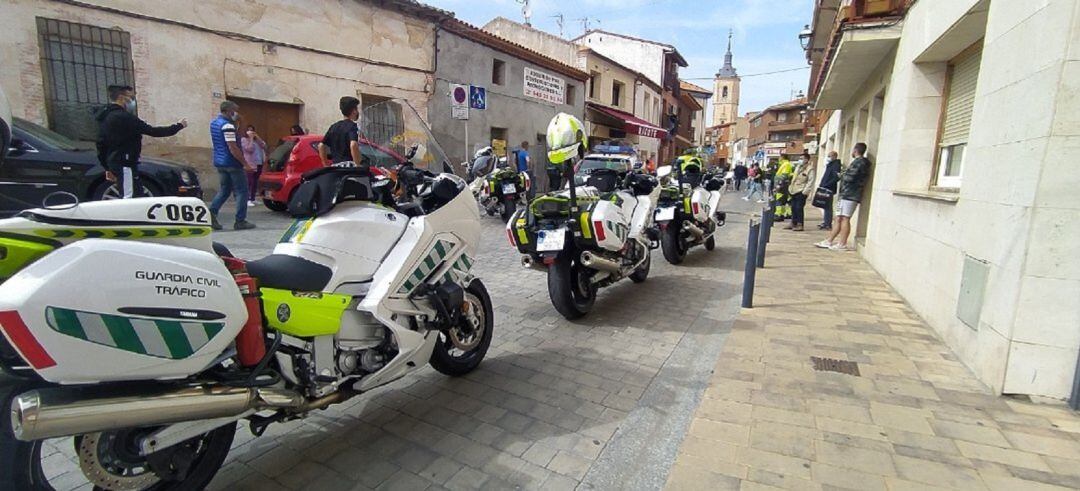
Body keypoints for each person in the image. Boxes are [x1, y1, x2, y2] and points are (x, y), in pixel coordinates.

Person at [95, 85, 187, 198]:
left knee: (137, 194)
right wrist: (178, 126)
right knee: (129, 197)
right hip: (125, 163)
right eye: (131, 97)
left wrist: (107, 167)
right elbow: (153, 131)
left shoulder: (105, 117)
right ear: (121, 98)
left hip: (116, 162)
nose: (133, 101)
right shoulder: (125, 118)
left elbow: (101, 143)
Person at [208, 100, 256, 230]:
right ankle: (240, 220)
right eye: (235, 111)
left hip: (220, 161)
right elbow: (233, 146)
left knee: (224, 190)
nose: (237, 113)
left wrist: (241, 122)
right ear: (229, 111)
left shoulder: (215, 123)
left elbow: (239, 135)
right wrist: (244, 163)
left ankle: (211, 214)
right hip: (232, 162)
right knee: (242, 191)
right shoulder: (227, 126)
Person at [816, 143, 872, 251]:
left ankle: (842, 243)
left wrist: (842, 174)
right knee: (838, 218)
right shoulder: (857, 162)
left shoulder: (860, 163)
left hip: (850, 194)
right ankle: (829, 240)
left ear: (855, 150)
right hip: (846, 194)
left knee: (845, 218)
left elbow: (850, 177)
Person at [319, 96, 364, 167]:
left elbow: (321, 146)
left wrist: (325, 165)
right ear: (354, 111)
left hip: (335, 168)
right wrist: (357, 164)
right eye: (357, 109)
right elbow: (353, 144)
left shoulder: (333, 126)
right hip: (348, 166)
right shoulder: (352, 126)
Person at [786, 153, 816, 231]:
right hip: (794, 190)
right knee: (793, 207)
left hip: (801, 190)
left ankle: (800, 224)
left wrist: (805, 192)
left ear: (806, 159)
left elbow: (810, 181)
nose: (800, 160)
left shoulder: (810, 169)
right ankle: (793, 222)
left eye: (802, 158)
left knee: (799, 208)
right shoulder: (798, 167)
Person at [241, 125, 267, 207]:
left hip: (258, 162)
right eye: (249, 131)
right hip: (250, 163)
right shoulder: (244, 140)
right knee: (249, 181)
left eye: (252, 131)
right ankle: (247, 199)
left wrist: (257, 137)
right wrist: (251, 139)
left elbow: (264, 146)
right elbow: (249, 149)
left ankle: (253, 198)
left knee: (255, 181)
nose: (250, 132)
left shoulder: (256, 140)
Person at [817, 151, 842, 230]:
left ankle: (828, 224)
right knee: (825, 206)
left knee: (828, 206)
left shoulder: (836, 165)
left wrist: (826, 184)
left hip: (829, 188)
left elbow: (836, 177)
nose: (827, 158)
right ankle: (826, 222)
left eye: (829, 156)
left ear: (834, 156)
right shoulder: (830, 165)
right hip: (825, 187)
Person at [772, 157, 795, 221]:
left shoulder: (786, 164)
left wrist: (778, 185)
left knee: (779, 200)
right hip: (786, 186)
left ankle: (778, 215)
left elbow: (783, 176)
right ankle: (785, 214)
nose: (779, 159)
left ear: (782, 158)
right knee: (785, 201)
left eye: (779, 158)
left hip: (782, 187)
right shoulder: (788, 164)